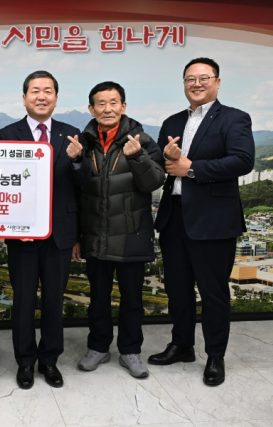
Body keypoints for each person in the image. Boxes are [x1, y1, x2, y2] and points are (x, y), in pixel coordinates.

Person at [148, 57, 255, 386]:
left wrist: (191, 168)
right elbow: (161, 163)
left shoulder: (234, 118)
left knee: (213, 292)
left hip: (214, 220)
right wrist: (155, 157)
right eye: (190, 79)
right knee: (177, 288)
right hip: (174, 216)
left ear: (217, 82)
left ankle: (215, 356)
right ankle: (182, 345)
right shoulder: (172, 121)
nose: (196, 84)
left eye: (204, 78)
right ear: (184, 84)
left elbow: (243, 160)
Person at [0, 71, 91, 390]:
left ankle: (49, 360)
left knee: (53, 301)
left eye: (48, 91)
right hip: (21, 235)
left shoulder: (71, 134)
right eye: (35, 91)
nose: (41, 96)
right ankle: (25, 361)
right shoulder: (6, 134)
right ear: (24, 98)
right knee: (23, 302)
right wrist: (9, 225)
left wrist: (77, 160)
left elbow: (83, 184)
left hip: (60, 233)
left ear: (56, 98)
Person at [74, 81, 165, 379]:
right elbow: (76, 192)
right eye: (101, 103)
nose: (107, 109)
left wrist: (137, 156)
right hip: (96, 236)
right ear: (91, 109)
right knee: (98, 299)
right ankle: (98, 347)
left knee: (132, 300)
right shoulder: (83, 143)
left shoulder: (142, 140)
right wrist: (77, 236)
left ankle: (130, 351)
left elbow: (154, 182)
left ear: (123, 106)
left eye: (113, 102)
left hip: (131, 235)